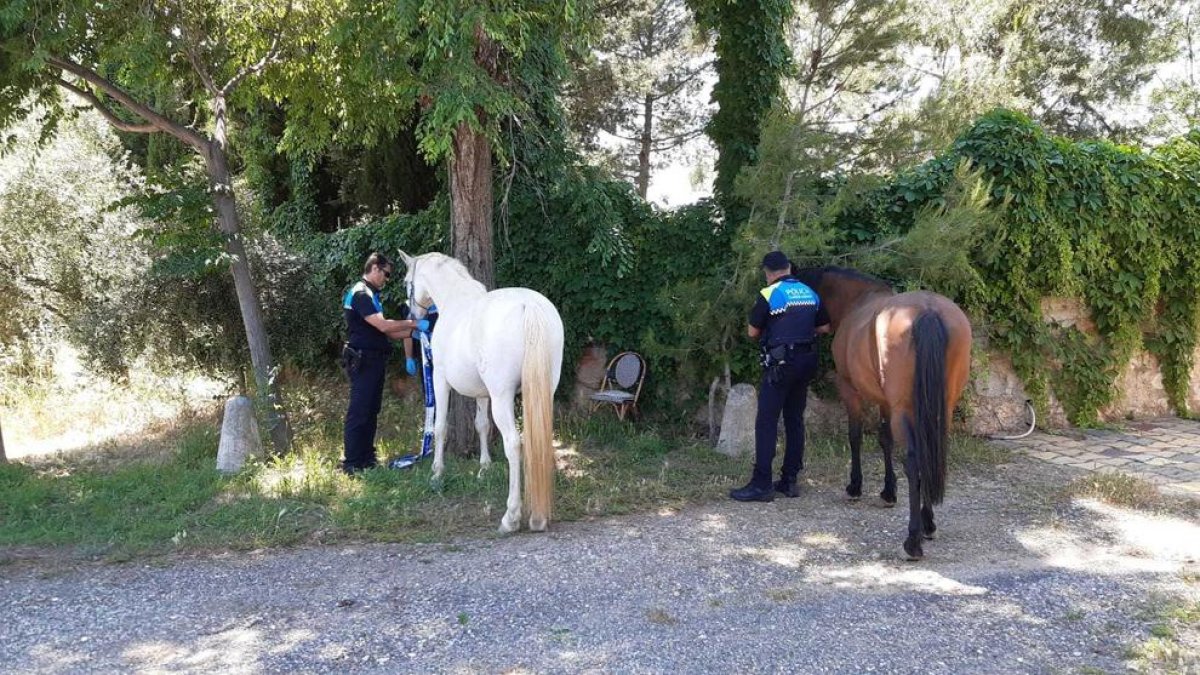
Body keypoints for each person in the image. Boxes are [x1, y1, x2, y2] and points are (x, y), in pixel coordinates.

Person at [730, 250, 830, 502]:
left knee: (766, 421)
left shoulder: (770, 293)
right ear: (788, 268)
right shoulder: (810, 293)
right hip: (807, 362)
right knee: (794, 419)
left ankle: (761, 484)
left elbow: (753, 331)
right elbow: (825, 327)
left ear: (768, 272)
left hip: (781, 365)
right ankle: (789, 480)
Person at [341, 252, 419, 474]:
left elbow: (388, 333)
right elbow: (384, 326)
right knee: (360, 411)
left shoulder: (372, 295)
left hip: (374, 360)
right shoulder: (361, 293)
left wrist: (417, 331)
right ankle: (352, 463)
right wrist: (416, 322)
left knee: (371, 410)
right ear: (375, 268)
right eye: (386, 274)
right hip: (363, 360)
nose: (387, 279)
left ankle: (367, 459)